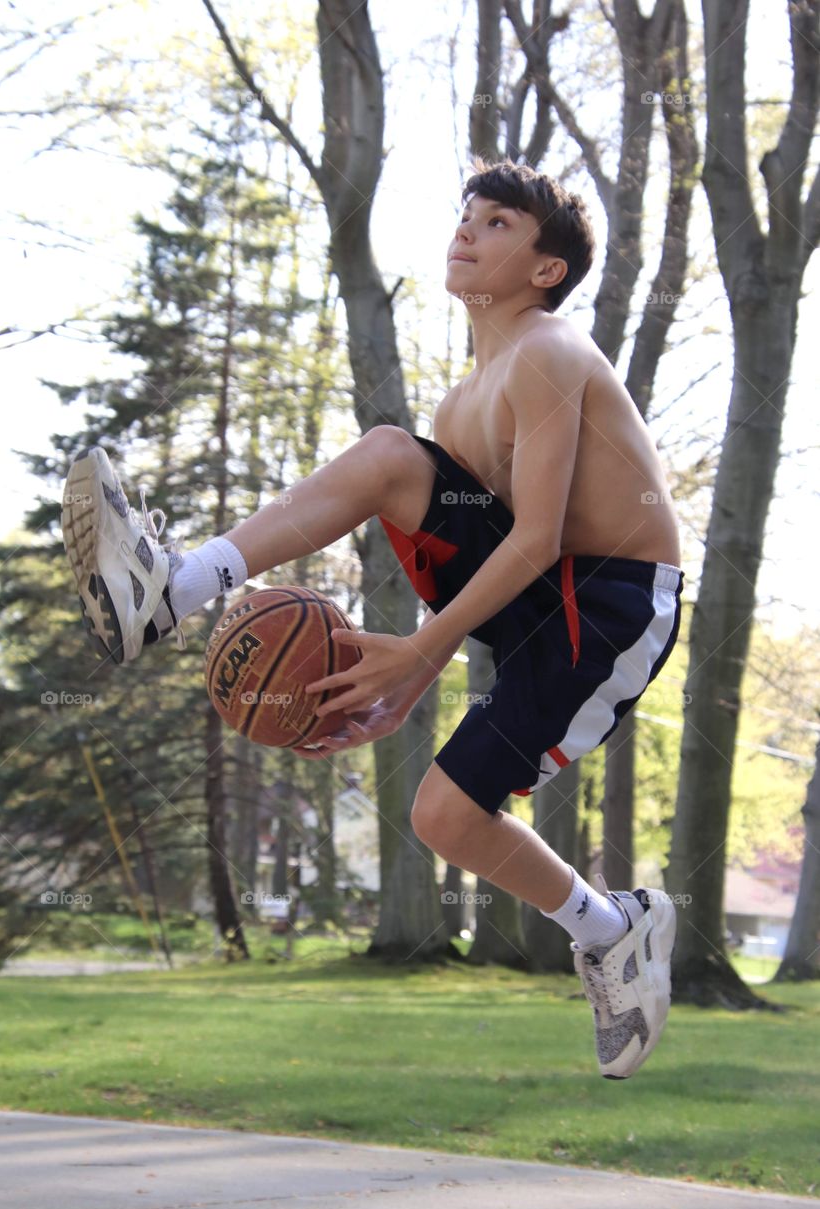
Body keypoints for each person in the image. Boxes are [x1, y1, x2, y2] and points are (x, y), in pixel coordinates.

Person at [61, 158, 684, 1080]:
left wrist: (422, 652)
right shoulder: (461, 403)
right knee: (395, 454)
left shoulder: (551, 351)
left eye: (499, 224)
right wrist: (416, 669)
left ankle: (613, 928)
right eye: (465, 214)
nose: (466, 230)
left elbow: (541, 538)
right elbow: (499, 551)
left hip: (608, 605)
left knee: (442, 817)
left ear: (546, 268)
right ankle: (175, 591)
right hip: (529, 597)